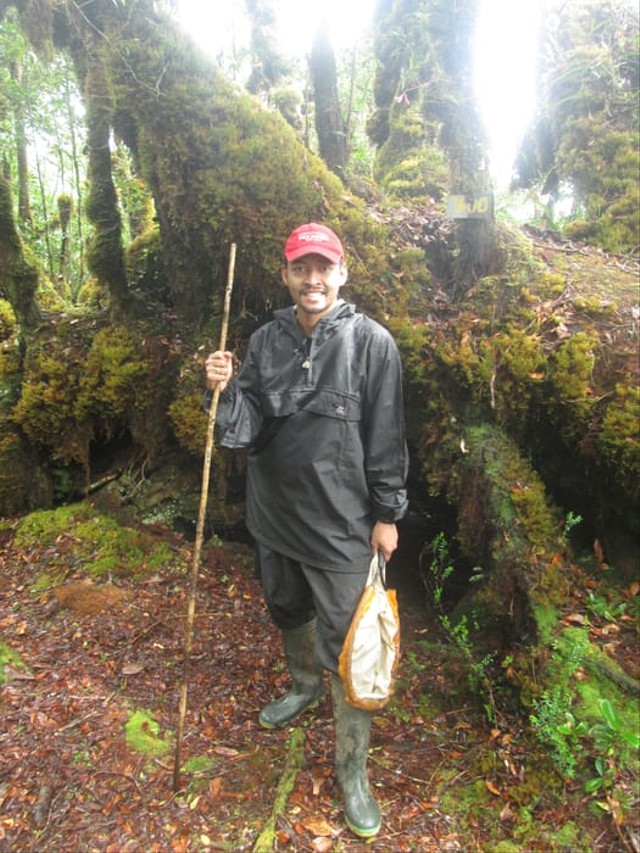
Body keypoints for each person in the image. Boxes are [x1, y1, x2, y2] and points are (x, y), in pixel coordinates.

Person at [205, 222, 408, 838]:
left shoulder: (373, 345)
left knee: (353, 648)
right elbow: (244, 429)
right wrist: (220, 388)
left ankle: (353, 772)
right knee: (286, 604)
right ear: (287, 274)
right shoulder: (266, 340)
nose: (312, 279)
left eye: (324, 268)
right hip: (274, 513)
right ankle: (301, 687)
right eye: (301, 268)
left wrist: (387, 513)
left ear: (342, 272)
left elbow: (387, 433)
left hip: (342, 527)